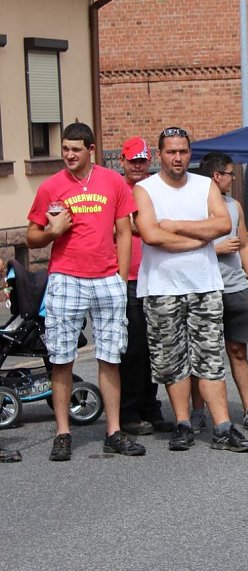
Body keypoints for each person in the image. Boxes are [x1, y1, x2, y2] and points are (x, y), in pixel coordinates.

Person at [26, 122, 145, 460]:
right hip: (66, 277)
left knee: (110, 357)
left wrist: (121, 278)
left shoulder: (111, 182)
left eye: (76, 149)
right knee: (61, 358)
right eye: (64, 149)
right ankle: (63, 433)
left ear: (91, 150)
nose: (69, 155)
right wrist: (52, 232)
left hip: (107, 278)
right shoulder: (51, 187)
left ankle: (114, 431)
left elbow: (124, 231)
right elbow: (31, 237)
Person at [133, 127, 248, 453]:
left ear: (190, 154)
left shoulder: (204, 185)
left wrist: (176, 226)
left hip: (204, 286)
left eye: (183, 152)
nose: (178, 157)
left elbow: (222, 225)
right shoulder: (145, 189)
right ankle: (183, 424)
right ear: (160, 154)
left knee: (211, 360)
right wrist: (198, 239)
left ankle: (222, 428)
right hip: (161, 288)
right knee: (173, 362)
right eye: (171, 151)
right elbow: (151, 235)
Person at [196, 152, 248, 433]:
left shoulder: (234, 205)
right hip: (204, 288)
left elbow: (246, 245)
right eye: (230, 174)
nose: (233, 179)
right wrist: (215, 249)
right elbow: (176, 246)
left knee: (238, 351)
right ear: (216, 176)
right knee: (201, 356)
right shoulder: (193, 205)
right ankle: (198, 412)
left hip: (237, 288)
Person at [117, 137, 174, 436]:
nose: (137, 165)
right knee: (132, 348)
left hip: (157, 277)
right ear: (122, 161)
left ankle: (151, 408)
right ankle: (128, 412)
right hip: (128, 278)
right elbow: (130, 226)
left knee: (155, 349)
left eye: (142, 160)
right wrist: (152, 225)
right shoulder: (117, 189)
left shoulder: (155, 189)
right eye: (132, 160)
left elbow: (165, 223)